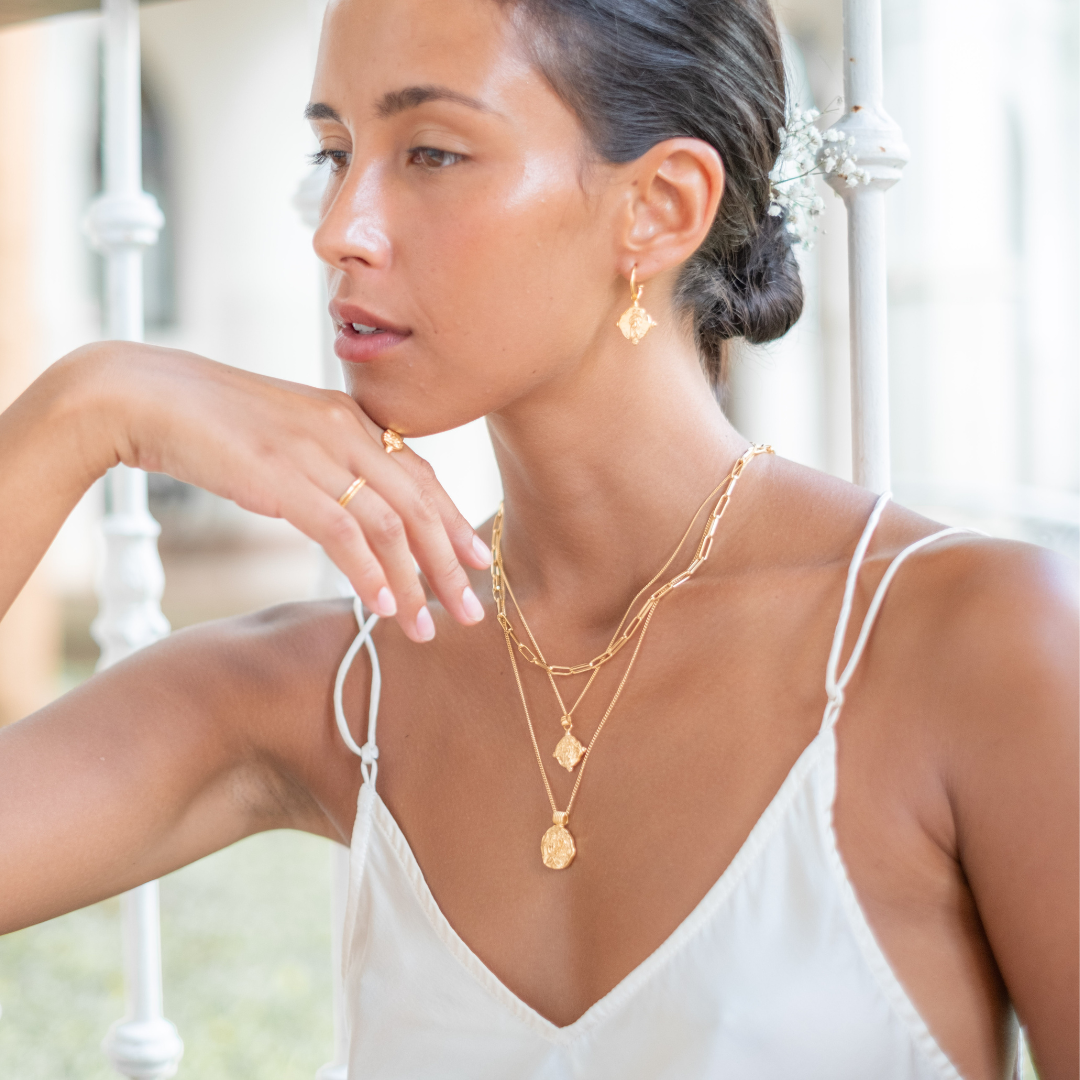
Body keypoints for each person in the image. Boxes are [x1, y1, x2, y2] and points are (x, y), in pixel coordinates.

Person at [0, 0, 1075, 1076]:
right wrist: (80, 412)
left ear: (658, 207)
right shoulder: (329, 693)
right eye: (334, 151)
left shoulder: (974, 644)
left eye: (430, 151)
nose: (338, 228)